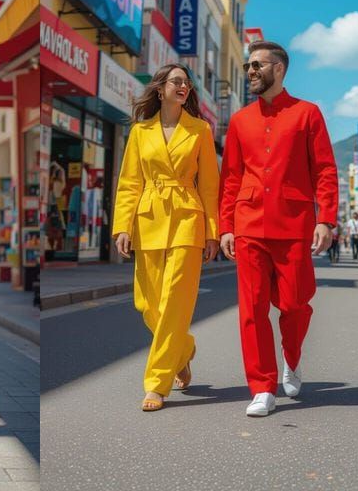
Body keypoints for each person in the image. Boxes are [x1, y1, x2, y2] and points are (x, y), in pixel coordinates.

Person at [219, 41, 338, 418]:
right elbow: (231, 178)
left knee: (294, 304)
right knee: (251, 310)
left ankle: (293, 356)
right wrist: (226, 227)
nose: (251, 71)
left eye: (258, 65)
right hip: (249, 223)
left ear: (280, 69)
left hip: (294, 224)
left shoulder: (308, 114)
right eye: (248, 66)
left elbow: (324, 169)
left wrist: (326, 218)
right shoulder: (239, 120)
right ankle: (262, 387)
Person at [112, 63, 219, 412]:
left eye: (186, 83)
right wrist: (122, 226)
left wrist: (213, 232)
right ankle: (183, 349)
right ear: (160, 89)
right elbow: (130, 182)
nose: (183, 87)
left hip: (188, 219)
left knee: (175, 301)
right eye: (177, 81)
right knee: (147, 304)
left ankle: (156, 384)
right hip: (148, 219)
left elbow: (209, 186)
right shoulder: (140, 132)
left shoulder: (200, 129)